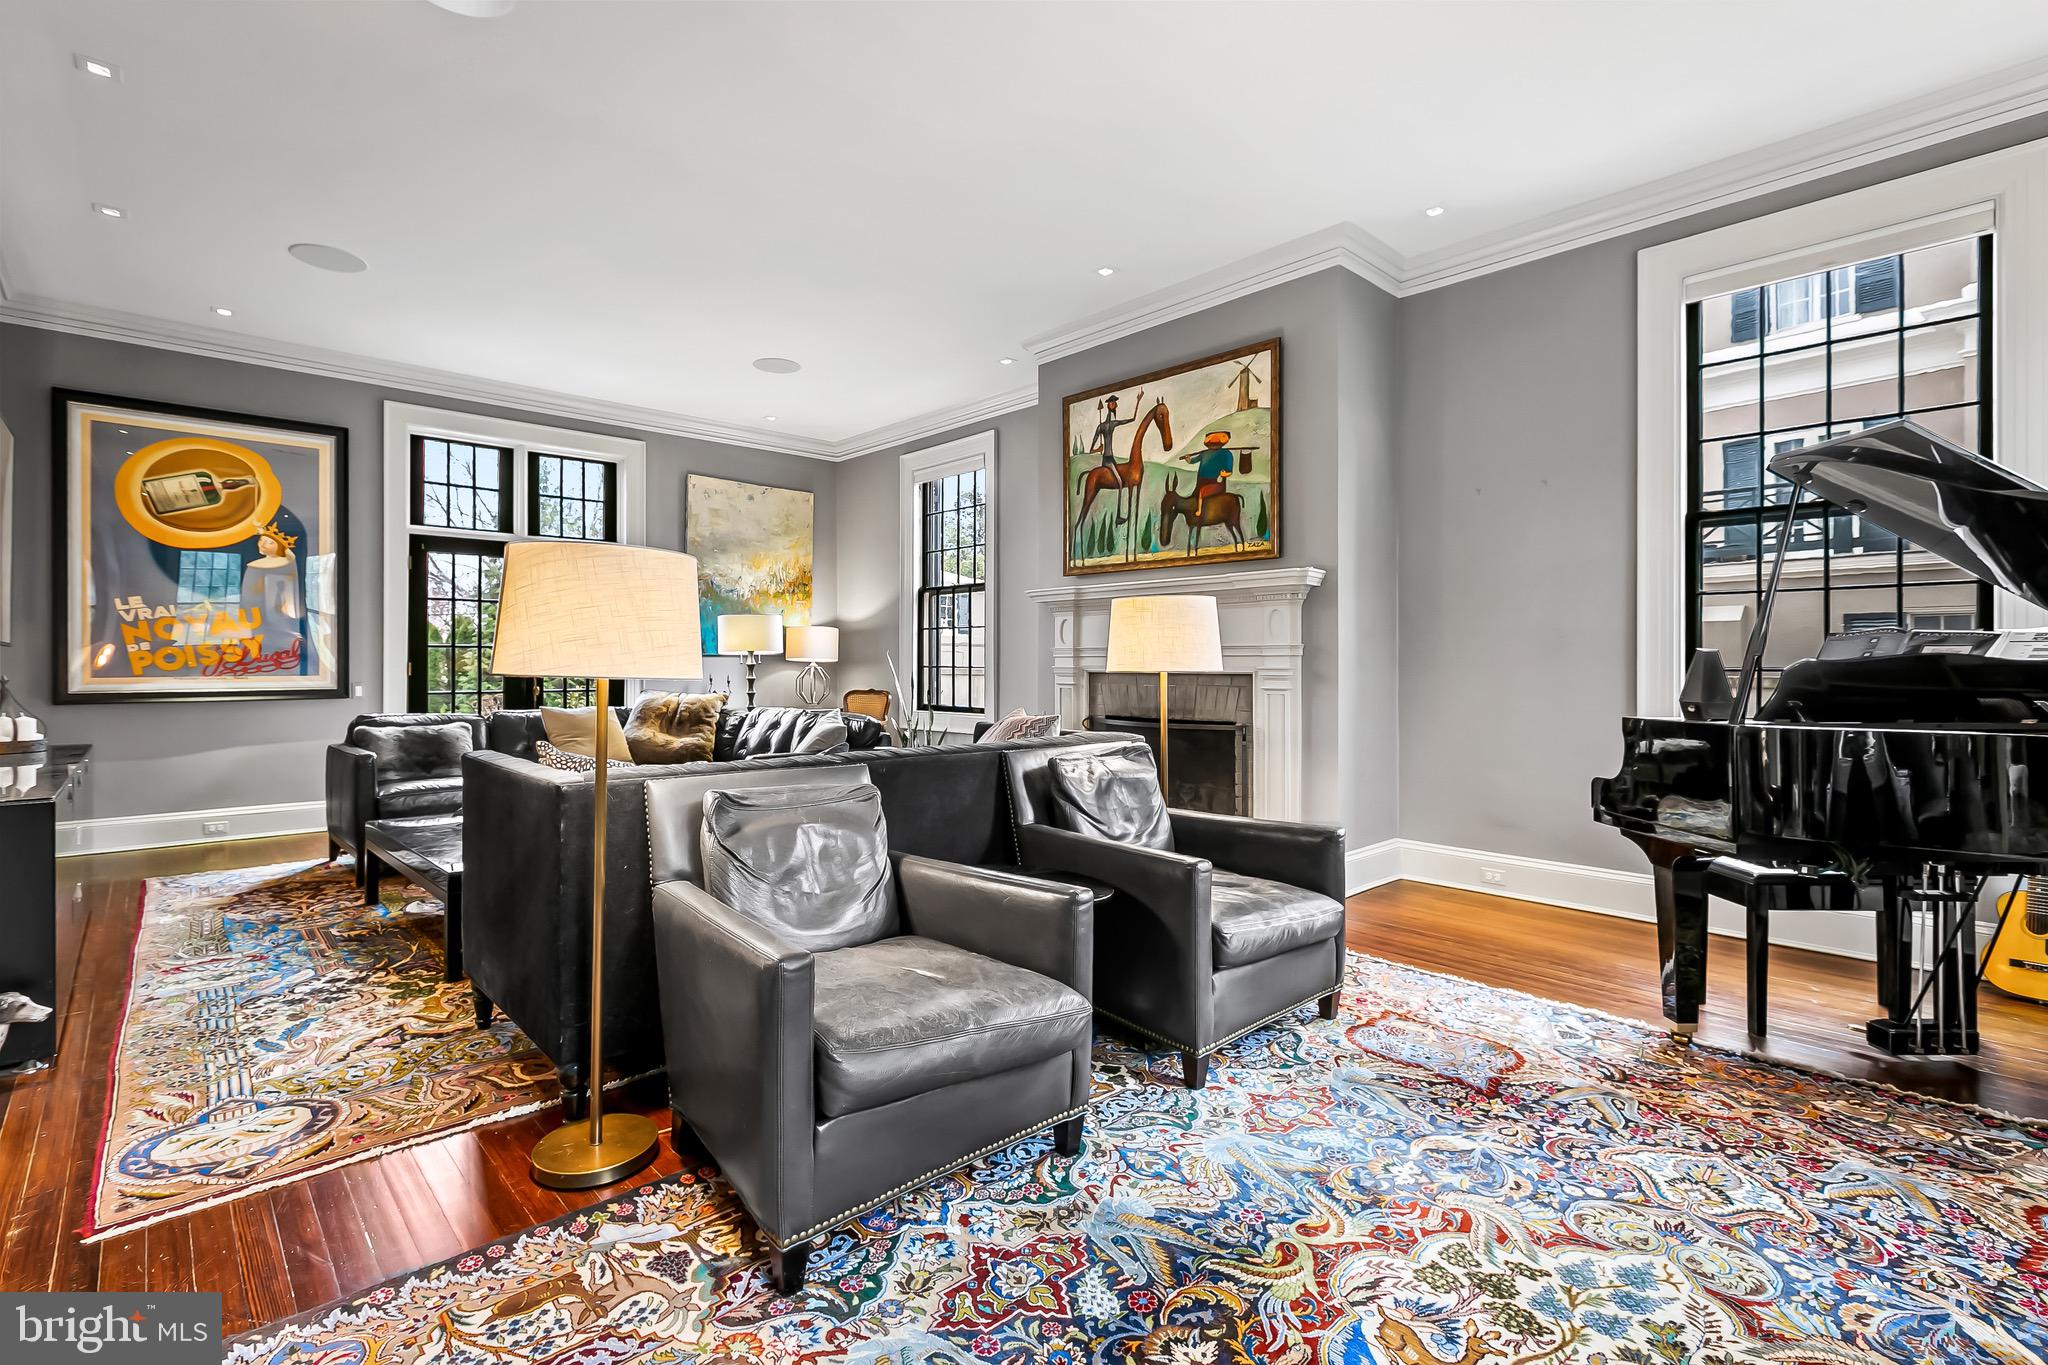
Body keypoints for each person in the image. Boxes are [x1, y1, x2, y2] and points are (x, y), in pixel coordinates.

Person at [1182, 431, 1252, 517]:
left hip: (1216, 482)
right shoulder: (1204, 453)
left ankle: (1199, 511)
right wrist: (1188, 459)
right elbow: (1193, 461)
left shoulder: (1226, 454)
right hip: (1200, 481)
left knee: (1202, 492)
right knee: (1194, 496)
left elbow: (1229, 471)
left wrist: (1224, 474)